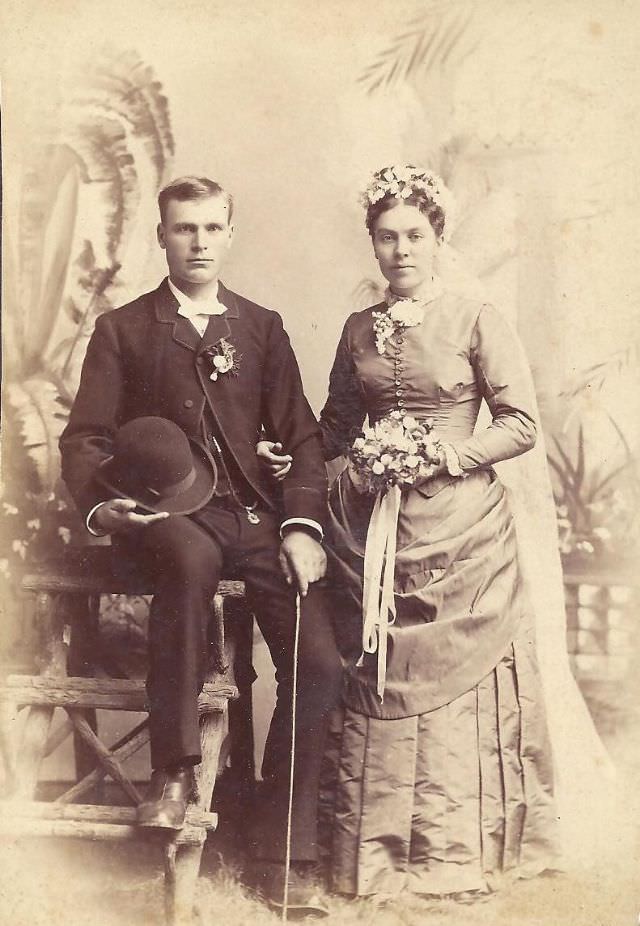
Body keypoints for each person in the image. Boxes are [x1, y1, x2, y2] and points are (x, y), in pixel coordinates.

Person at [258, 164, 565, 901]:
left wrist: (448, 452)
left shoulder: (476, 317)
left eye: (414, 236)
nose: (400, 250)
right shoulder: (358, 328)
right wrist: (286, 455)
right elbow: (334, 427)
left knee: (453, 674)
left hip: (462, 527)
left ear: (438, 238)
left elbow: (521, 423)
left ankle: (451, 855)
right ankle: (365, 854)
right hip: (372, 526)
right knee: (372, 669)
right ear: (372, 245)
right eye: (386, 237)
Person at [59, 175, 342, 915]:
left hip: (256, 518)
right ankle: (175, 771)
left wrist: (302, 525)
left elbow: (305, 437)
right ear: (161, 235)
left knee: (319, 663)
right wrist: (106, 507)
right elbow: (85, 439)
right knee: (187, 560)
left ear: (229, 234)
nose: (198, 242)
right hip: (171, 519)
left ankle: (283, 849)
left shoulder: (261, 327)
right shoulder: (124, 328)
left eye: (212, 228)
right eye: (184, 229)